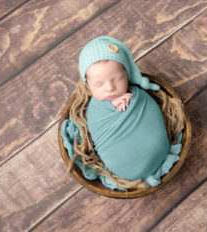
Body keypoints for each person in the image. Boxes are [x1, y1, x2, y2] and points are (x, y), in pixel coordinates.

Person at [61, 36, 183, 190]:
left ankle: (152, 159)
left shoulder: (139, 96)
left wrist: (131, 104)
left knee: (151, 139)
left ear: (127, 74)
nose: (110, 88)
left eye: (118, 79)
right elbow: (97, 128)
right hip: (123, 165)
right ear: (87, 84)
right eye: (98, 84)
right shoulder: (94, 109)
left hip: (158, 150)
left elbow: (151, 115)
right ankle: (136, 167)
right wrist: (110, 108)